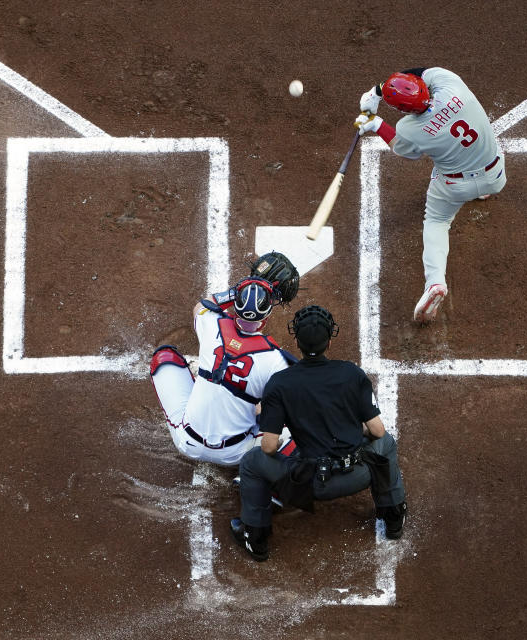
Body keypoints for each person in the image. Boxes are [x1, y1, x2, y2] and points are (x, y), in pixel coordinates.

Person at [230, 305, 407, 562]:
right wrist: (357, 427)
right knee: (386, 444)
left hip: (308, 485)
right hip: (359, 474)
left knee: (251, 462)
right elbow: (378, 431)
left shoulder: (280, 384)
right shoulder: (351, 373)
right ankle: (393, 517)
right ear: (330, 342)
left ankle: (254, 537)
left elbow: (268, 447)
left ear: (297, 342)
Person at [355, 68, 507, 323]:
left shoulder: (409, 128)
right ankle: (483, 192)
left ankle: (435, 283)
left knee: (436, 221)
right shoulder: (452, 85)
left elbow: (406, 153)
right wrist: (379, 89)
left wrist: (376, 124)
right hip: (496, 175)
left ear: (403, 111)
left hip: (455, 187)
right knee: (485, 138)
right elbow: (421, 71)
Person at [149, 253, 300, 467]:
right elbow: (274, 408)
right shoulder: (274, 358)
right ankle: (264, 479)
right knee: (291, 416)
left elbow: (204, 305)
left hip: (188, 443)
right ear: (265, 320)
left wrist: (240, 290)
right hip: (236, 455)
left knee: (164, 357)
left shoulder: (211, 323)